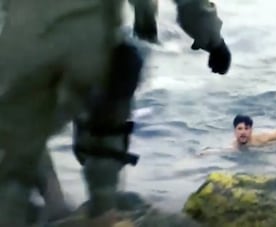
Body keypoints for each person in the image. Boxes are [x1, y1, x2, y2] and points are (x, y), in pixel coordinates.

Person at [0, 0, 231, 226]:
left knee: (18, 139)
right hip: (94, 46)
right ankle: (102, 209)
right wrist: (213, 42)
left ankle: (50, 203)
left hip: (24, 46)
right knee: (112, 101)